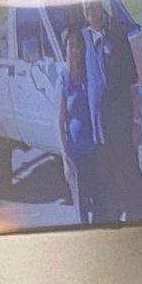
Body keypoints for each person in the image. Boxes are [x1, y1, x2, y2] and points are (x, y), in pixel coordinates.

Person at [81, 0, 139, 224]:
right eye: (85, 8)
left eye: (92, 5)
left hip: (119, 117)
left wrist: (136, 120)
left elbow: (132, 79)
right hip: (97, 122)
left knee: (125, 161)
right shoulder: (82, 38)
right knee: (107, 167)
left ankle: (132, 208)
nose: (90, 10)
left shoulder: (117, 31)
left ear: (101, 4)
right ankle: (115, 208)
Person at [56, 19, 99, 225]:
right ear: (65, 48)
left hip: (95, 151)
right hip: (76, 156)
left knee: (100, 203)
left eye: (77, 45)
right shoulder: (63, 79)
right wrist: (65, 161)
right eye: (70, 45)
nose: (74, 50)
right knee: (81, 210)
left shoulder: (90, 74)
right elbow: (61, 124)